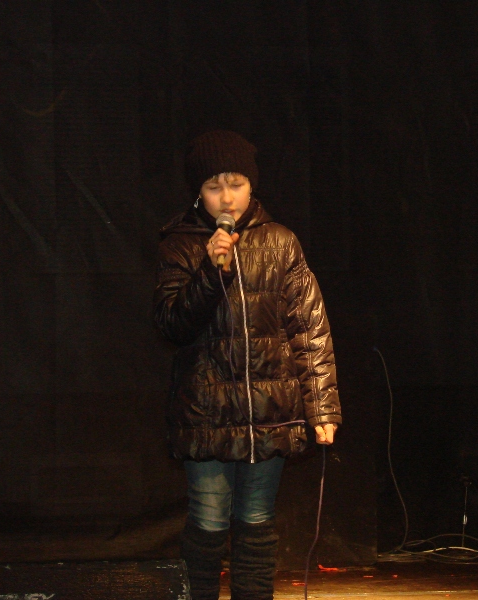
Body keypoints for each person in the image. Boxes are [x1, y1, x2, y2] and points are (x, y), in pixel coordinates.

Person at [153, 130, 342, 600]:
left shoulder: (281, 242)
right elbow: (172, 324)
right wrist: (210, 271)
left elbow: (310, 329)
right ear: (198, 191)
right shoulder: (179, 244)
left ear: (252, 185)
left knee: (256, 522)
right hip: (207, 415)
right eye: (214, 186)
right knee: (208, 521)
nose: (226, 197)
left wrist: (322, 409)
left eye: (235, 184)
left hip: (269, 412)